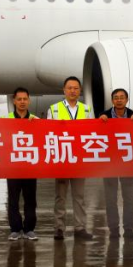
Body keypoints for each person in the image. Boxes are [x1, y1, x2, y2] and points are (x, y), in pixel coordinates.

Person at [49, 76, 94, 241]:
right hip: (62, 158)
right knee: (60, 196)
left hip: (79, 159)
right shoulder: (54, 109)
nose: (73, 91)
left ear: (80, 90)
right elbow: (48, 133)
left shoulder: (86, 109)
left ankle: (80, 228)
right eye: (69, 88)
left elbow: (91, 131)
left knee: (79, 196)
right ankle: (59, 228)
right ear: (64, 90)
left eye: (76, 88)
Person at [99, 88, 133, 240]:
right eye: (116, 97)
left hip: (127, 163)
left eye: (122, 97)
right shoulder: (104, 116)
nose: (119, 100)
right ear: (112, 100)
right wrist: (100, 121)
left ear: (127, 100)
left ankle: (129, 229)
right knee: (110, 199)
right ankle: (113, 230)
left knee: (129, 198)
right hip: (110, 164)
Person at [6, 87, 39, 241]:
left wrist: (36, 125)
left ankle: (29, 229)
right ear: (14, 101)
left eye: (25, 99)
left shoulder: (36, 120)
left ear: (29, 101)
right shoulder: (6, 119)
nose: (22, 102)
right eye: (19, 99)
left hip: (30, 165)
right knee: (13, 199)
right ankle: (15, 229)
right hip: (12, 166)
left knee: (30, 199)